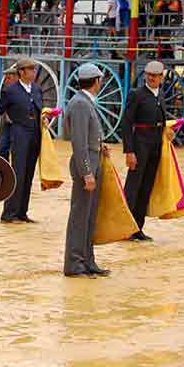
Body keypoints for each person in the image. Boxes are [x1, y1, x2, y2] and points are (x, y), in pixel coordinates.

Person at [63, 63, 111, 278]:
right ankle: (74, 264)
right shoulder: (81, 104)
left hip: (93, 160)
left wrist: (99, 145)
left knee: (89, 216)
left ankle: (87, 260)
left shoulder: (82, 102)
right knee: (81, 216)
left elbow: (85, 137)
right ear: (97, 81)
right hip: (88, 165)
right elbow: (79, 142)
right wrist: (87, 172)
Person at [0, 57, 43, 223]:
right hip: (19, 134)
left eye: (34, 69)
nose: (33, 72)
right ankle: (9, 213)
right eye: (30, 69)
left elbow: (40, 111)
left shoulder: (37, 89)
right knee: (17, 173)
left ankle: (22, 212)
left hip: (35, 135)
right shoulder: (10, 91)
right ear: (21, 72)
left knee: (29, 174)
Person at [121, 61, 170, 242]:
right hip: (140, 144)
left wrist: (167, 132)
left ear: (161, 77)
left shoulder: (161, 95)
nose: (151, 77)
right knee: (133, 187)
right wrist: (129, 151)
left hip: (156, 145)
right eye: (148, 74)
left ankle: (137, 228)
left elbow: (160, 120)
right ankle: (125, 227)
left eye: (155, 75)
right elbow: (126, 123)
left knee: (146, 187)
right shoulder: (136, 94)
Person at [0, 64, 19, 163]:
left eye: (9, 78)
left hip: (20, 127)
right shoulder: (5, 92)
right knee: (2, 150)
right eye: (6, 78)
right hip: (7, 125)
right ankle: (6, 170)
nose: (5, 81)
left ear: (17, 78)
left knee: (17, 153)